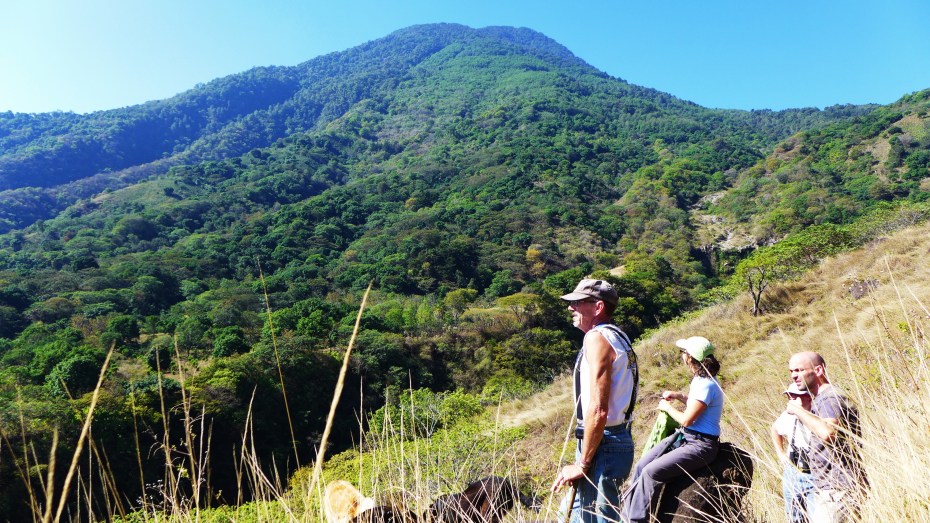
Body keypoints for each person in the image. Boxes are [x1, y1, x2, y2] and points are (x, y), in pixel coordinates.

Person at [550, 279, 638, 523]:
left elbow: (599, 408)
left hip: (603, 442)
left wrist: (583, 463)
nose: (571, 308)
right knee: (575, 514)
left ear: (598, 307)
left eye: (578, 303)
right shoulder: (618, 336)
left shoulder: (596, 338)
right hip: (613, 438)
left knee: (592, 518)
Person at [620, 336, 723, 523]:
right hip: (688, 437)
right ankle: (625, 517)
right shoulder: (702, 379)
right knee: (642, 466)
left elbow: (687, 420)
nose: (682, 355)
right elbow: (697, 403)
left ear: (690, 358)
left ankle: (636, 520)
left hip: (700, 444)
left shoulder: (706, 384)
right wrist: (679, 396)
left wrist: (667, 408)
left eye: (683, 352)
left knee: (651, 472)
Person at [786, 352, 866, 523]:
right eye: (791, 371)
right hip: (833, 488)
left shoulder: (830, 398)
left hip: (839, 487)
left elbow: (828, 432)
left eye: (799, 370)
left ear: (818, 370)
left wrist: (798, 411)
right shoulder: (821, 399)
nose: (794, 376)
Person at [772, 383, 815, 523]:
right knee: (794, 518)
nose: (790, 400)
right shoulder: (788, 416)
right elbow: (775, 429)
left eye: (794, 396)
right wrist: (780, 452)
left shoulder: (819, 414)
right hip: (793, 472)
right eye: (789, 396)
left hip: (815, 475)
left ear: (808, 397)